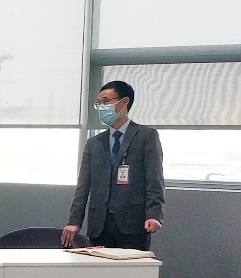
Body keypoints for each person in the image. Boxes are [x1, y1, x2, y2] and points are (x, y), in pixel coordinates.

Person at [63, 80, 165, 250]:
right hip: (99, 224)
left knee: (131, 267)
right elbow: (83, 186)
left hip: (133, 224)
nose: (102, 107)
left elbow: (154, 179)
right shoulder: (94, 143)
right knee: (98, 267)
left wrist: (154, 214)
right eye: (99, 103)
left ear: (124, 101)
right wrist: (74, 221)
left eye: (106, 101)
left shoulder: (146, 136)